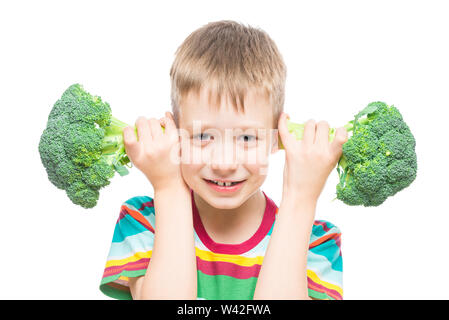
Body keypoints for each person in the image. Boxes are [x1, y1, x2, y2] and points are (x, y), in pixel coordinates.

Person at [99, 20, 347, 300]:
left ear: (277, 138)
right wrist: (168, 188)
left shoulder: (316, 241)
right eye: (203, 135)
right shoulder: (143, 222)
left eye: (246, 138)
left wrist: (301, 198)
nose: (224, 163)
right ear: (175, 135)